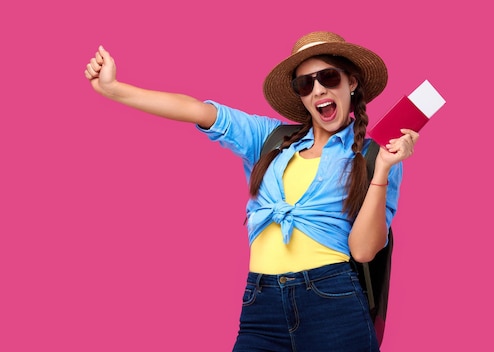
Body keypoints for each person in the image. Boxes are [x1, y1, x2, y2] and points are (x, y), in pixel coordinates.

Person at [84, 30, 419, 352]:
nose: (317, 90)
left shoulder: (374, 156)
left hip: (332, 298)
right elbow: (198, 110)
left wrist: (384, 171)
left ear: (351, 81)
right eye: (305, 83)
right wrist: (114, 89)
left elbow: (363, 251)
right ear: (300, 95)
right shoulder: (269, 139)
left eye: (328, 77)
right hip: (262, 302)